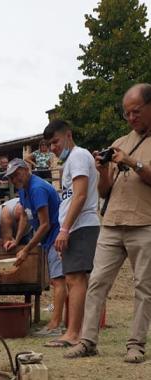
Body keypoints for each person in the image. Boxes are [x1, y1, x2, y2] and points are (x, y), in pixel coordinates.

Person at [65, 83, 151, 363]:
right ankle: (88, 341)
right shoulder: (120, 142)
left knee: (144, 287)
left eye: (136, 112)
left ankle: (136, 345)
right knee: (97, 282)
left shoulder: (129, 149)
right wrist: (102, 169)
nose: (131, 118)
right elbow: (104, 190)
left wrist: (132, 162)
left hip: (144, 223)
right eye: (127, 113)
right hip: (112, 222)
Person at [42, 119, 100, 347]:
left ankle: (74, 333)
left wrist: (64, 229)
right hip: (75, 226)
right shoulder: (70, 162)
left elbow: (80, 195)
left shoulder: (77, 156)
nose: (53, 147)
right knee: (72, 278)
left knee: (75, 279)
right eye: (49, 144)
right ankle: (74, 331)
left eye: (55, 141)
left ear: (68, 135)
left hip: (81, 225)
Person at [4, 159, 65, 336]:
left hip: (56, 236)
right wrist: (17, 240)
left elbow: (45, 224)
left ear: (26, 169)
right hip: (47, 239)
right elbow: (24, 214)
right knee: (56, 280)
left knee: (59, 280)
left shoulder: (37, 188)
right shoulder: (23, 190)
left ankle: (55, 325)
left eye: (17, 174)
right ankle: (58, 322)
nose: (15, 179)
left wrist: (27, 249)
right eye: (11, 177)